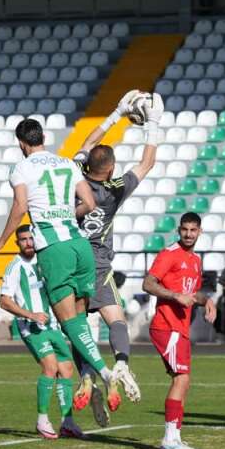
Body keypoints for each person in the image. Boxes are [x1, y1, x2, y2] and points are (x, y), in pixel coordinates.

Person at [0, 117, 121, 416]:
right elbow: (89, 202)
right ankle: (88, 374)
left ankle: (105, 372)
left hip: (54, 249)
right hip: (80, 246)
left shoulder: (22, 168)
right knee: (80, 319)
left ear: (22, 143)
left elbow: (20, 207)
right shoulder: (67, 163)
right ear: (43, 137)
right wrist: (65, 215)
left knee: (67, 320)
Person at [72, 89, 160, 405]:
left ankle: (85, 375)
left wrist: (115, 114)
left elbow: (86, 145)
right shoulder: (114, 189)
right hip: (98, 264)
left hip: (72, 263)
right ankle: (121, 363)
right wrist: (153, 122)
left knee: (79, 325)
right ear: (109, 169)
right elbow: (147, 162)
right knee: (116, 319)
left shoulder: (73, 176)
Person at [1, 225, 84, 439]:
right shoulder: (14, 267)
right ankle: (42, 419)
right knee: (50, 366)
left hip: (53, 325)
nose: (28, 243)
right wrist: (31, 315)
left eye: (31, 238)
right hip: (31, 326)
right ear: (17, 243)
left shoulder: (46, 261)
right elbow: (4, 301)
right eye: (23, 240)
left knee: (66, 369)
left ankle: (67, 421)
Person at [144, 212, 216, 449]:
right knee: (181, 379)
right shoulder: (169, 254)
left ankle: (175, 437)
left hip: (180, 328)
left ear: (200, 231)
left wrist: (208, 301)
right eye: (185, 229)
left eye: (193, 230)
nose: (188, 234)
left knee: (183, 381)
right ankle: (169, 438)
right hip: (166, 326)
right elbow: (149, 283)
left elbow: (193, 294)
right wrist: (174, 296)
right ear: (179, 229)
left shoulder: (195, 259)